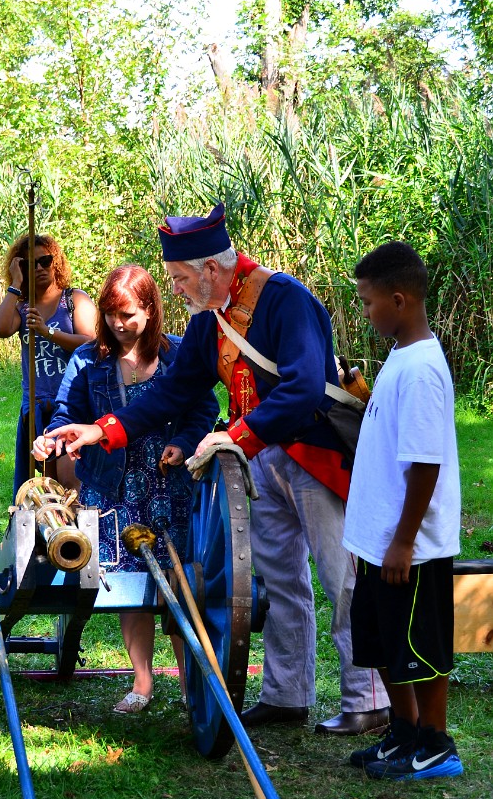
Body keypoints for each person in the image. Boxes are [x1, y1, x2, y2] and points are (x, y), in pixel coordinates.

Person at [43, 204, 390, 735]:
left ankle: (368, 697)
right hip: (255, 462)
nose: (176, 289)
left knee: (341, 578)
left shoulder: (285, 300)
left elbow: (301, 389)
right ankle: (286, 694)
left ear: (209, 269)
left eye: (181, 278)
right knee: (279, 581)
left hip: (314, 455)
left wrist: (236, 437)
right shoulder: (210, 322)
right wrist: (102, 430)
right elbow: (171, 393)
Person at [34, 264, 219, 713]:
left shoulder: (178, 355)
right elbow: (66, 413)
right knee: (126, 585)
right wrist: (52, 436)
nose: (120, 324)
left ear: (151, 311)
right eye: (112, 314)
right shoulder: (87, 361)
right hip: (111, 489)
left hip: (168, 483)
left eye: (130, 315)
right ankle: (142, 681)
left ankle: (189, 680)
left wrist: (180, 442)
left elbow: (203, 408)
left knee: (180, 582)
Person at [344, 242, 463, 780]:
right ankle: (404, 730)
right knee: (385, 642)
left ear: (399, 299)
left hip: (409, 545)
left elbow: (425, 465)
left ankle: (437, 742)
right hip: (377, 538)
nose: (366, 312)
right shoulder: (400, 355)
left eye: (369, 303)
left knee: (421, 646)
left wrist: (404, 540)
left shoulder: (421, 371)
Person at [0, 233, 96, 497]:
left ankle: (78, 534)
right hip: (37, 405)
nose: (38, 267)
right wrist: (16, 285)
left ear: (56, 262)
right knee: (48, 482)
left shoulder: (74, 299)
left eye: (45, 261)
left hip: (72, 402)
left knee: (70, 478)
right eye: (30, 264)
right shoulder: (22, 308)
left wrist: (48, 332)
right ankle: (54, 535)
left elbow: (92, 343)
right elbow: (0, 329)